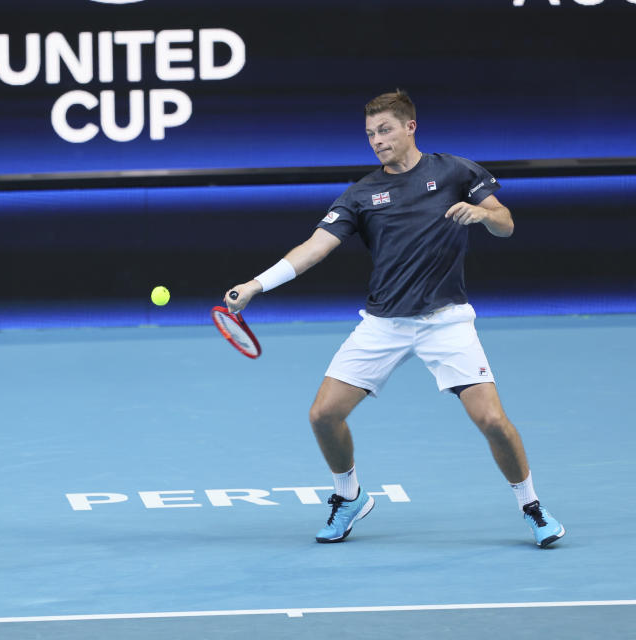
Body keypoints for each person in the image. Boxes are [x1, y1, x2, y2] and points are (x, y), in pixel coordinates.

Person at [224, 90, 565, 548]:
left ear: (410, 127)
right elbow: (315, 248)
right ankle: (349, 497)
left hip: (447, 321)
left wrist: (481, 213)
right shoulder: (361, 194)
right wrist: (255, 284)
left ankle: (531, 506)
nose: (377, 140)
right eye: (369, 134)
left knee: (492, 421)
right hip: (384, 323)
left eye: (384, 130)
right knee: (324, 415)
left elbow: (506, 222)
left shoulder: (456, 172)